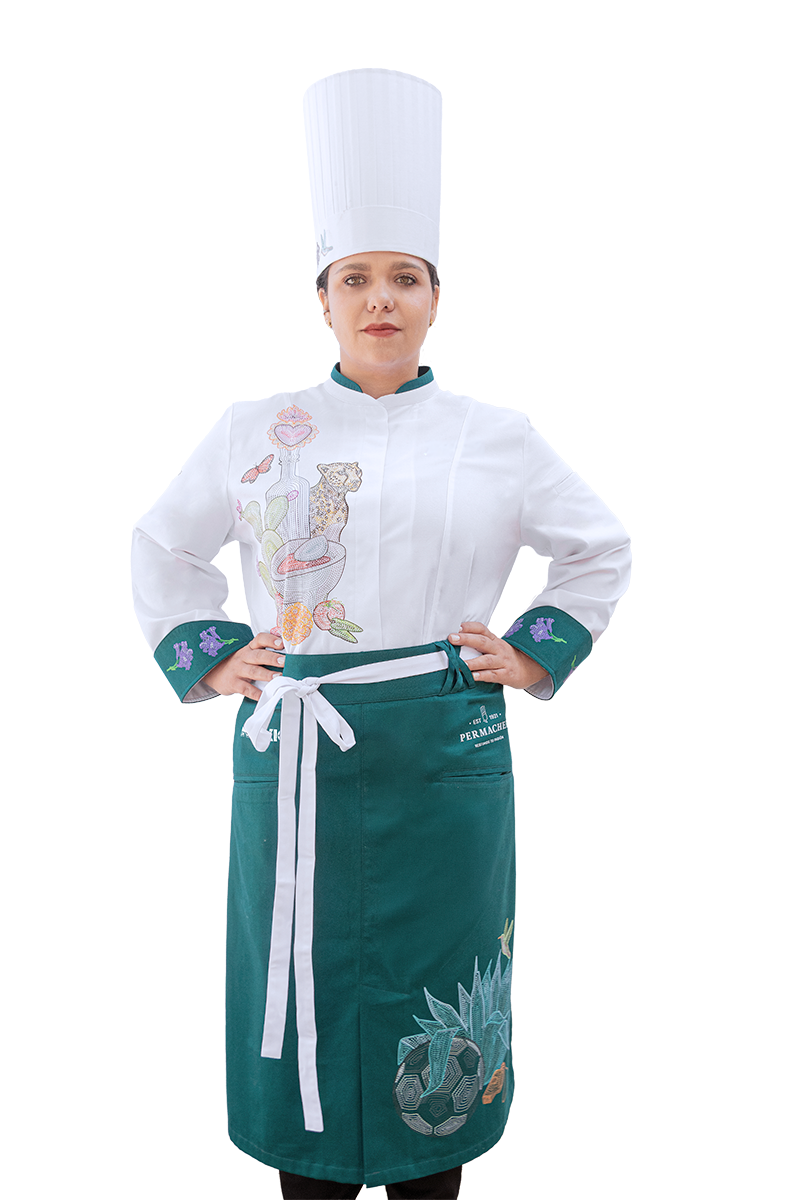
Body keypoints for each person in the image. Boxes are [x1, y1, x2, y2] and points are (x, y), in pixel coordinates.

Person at [132, 69, 631, 1200]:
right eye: (355, 278)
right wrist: (215, 653)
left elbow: (599, 547)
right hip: (293, 746)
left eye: (404, 277)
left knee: (435, 989)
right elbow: (161, 545)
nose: (380, 299)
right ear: (322, 299)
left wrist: (532, 651)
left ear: (435, 298)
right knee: (294, 976)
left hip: (443, 752)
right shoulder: (254, 430)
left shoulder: (498, 436)